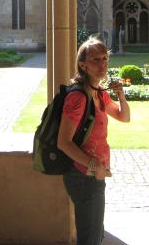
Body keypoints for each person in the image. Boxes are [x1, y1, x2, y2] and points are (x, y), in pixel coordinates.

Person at [57, 36, 131, 245]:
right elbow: (64, 142)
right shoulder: (78, 98)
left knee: (95, 235)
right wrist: (93, 164)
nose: (102, 64)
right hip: (82, 175)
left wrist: (121, 96)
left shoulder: (99, 93)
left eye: (105, 58)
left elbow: (124, 117)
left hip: (95, 173)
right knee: (90, 238)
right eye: (95, 60)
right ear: (83, 65)